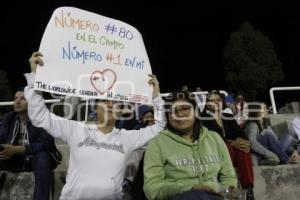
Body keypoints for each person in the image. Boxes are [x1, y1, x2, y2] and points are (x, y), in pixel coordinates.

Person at [25, 52, 166, 200]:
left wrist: (156, 96)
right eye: (105, 101)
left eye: (116, 102)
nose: (111, 104)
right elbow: (39, 116)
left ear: (121, 111)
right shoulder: (76, 129)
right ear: (95, 108)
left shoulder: (128, 137)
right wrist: (34, 78)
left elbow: (159, 127)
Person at [143, 91, 237, 200]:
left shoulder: (214, 138)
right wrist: (190, 188)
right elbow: (152, 189)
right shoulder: (157, 143)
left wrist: (226, 193)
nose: (180, 114)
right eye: (173, 111)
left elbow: (229, 176)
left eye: (185, 108)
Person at [0, 87, 61, 200]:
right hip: (15, 160)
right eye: (15, 98)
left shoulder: (42, 118)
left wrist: (19, 149)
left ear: (31, 101)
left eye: (22, 98)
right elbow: (1, 136)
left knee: (42, 157)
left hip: (35, 160)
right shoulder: (9, 118)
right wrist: (4, 149)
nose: (17, 101)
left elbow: (45, 144)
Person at [201, 90, 255, 200]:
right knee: (229, 147)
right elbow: (211, 139)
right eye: (212, 100)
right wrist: (231, 142)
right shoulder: (203, 118)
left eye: (218, 100)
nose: (216, 102)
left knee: (243, 150)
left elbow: (241, 135)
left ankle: (249, 189)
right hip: (214, 154)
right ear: (206, 103)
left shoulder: (227, 116)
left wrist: (244, 142)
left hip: (232, 153)